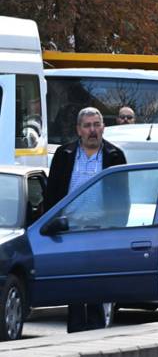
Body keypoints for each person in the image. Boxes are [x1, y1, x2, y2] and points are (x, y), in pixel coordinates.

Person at [44, 107, 127, 333]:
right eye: (87, 126)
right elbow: (52, 195)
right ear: (78, 130)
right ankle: (76, 329)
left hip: (100, 231)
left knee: (97, 283)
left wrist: (118, 231)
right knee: (74, 283)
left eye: (96, 125)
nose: (92, 130)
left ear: (103, 127)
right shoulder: (64, 154)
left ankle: (96, 331)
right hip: (70, 230)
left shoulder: (115, 156)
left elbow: (123, 199)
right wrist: (51, 226)